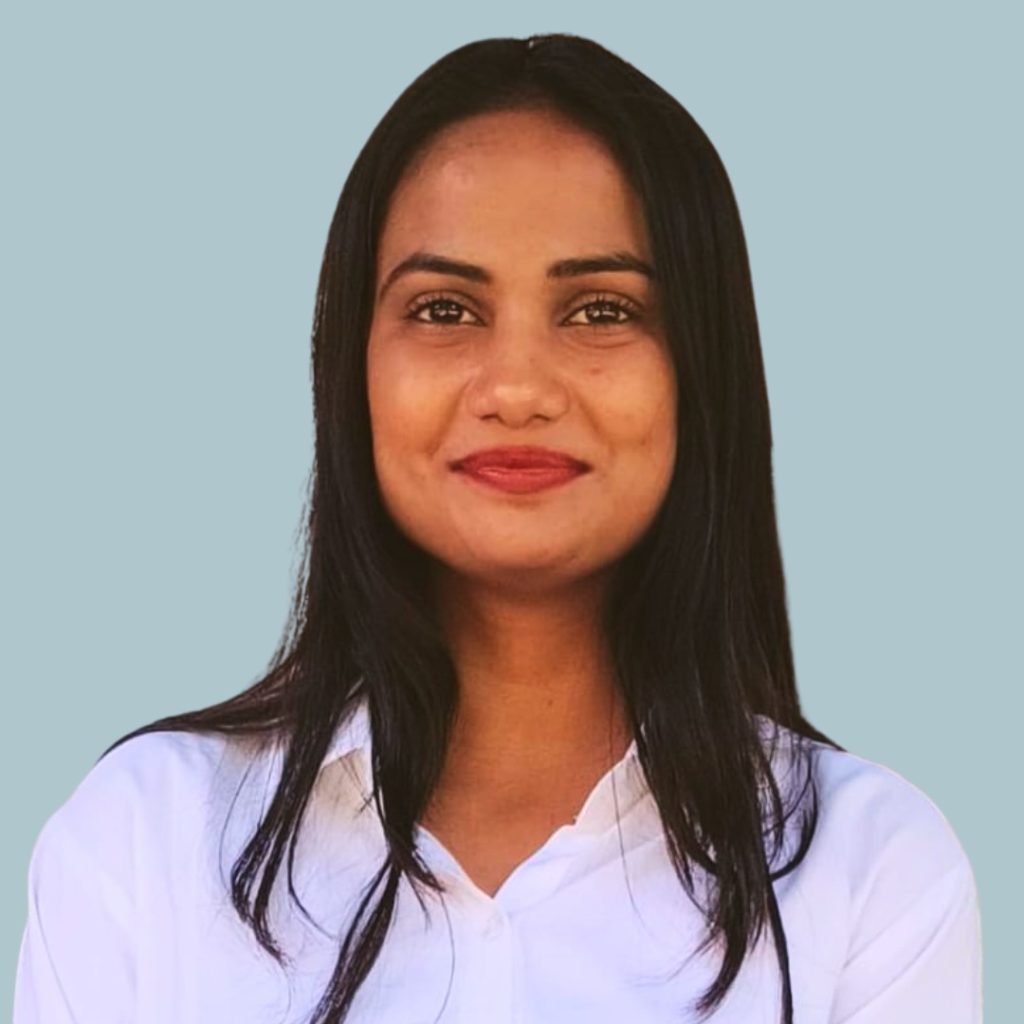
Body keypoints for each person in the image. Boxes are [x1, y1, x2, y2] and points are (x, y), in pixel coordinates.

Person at [13, 32, 982, 1024]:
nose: (517, 388)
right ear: (350, 369)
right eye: (443, 309)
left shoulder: (873, 873)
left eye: (601, 310)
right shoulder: (143, 842)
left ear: (702, 368)